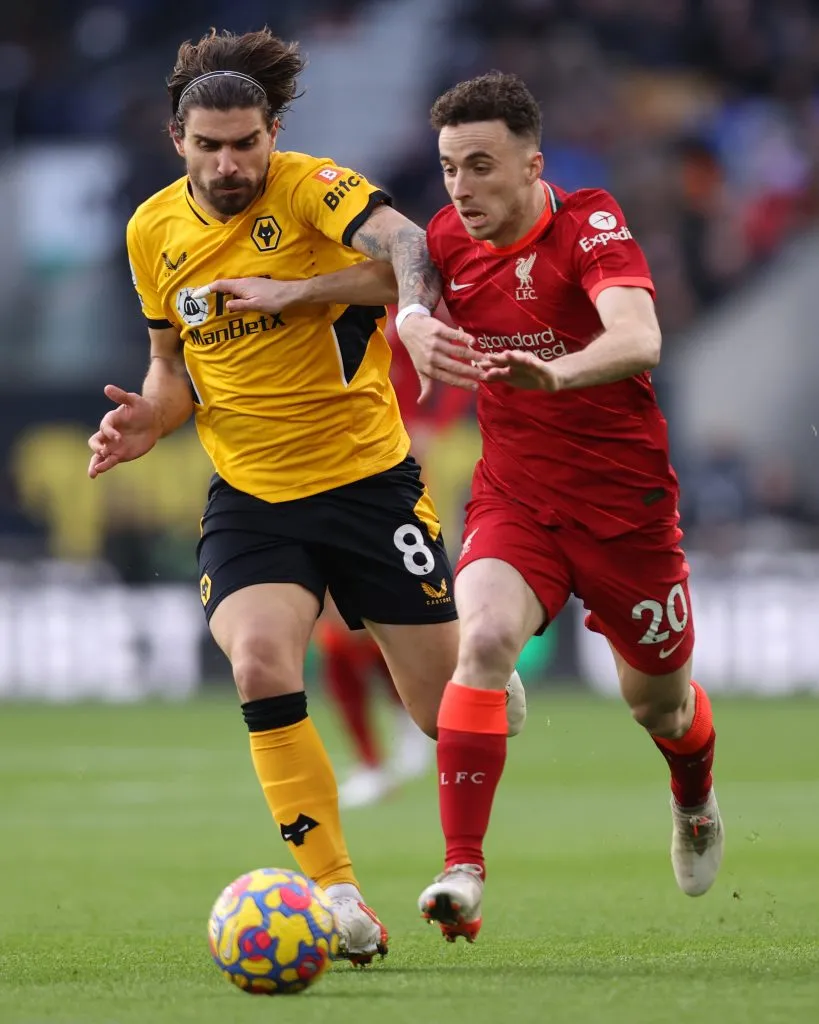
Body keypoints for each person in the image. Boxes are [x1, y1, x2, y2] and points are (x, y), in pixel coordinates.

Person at [204, 71, 724, 945]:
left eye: (479, 166)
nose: (460, 187)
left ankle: (694, 796)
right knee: (478, 646)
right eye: (448, 168)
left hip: (624, 512)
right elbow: (387, 279)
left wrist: (554, 374)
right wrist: (291, 293)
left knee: (659, 707)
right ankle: (461, 871)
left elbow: (639, 337)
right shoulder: (449, 236)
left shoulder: (589, 224)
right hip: (517, 499)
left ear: (532, 166)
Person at [86, 31, 528, 964]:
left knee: (443, 716)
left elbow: (409, 246)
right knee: (258, 663)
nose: (230, 163)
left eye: (246, 143)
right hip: (251, 495)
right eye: (210, 146)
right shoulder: (151, 231)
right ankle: (337, 896)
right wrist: (149, 419)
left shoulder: (312, 190)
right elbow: (170, 367)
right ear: (177, 141)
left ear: (272, 134)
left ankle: (473, 683)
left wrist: (309, 295)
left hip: (368, 484)